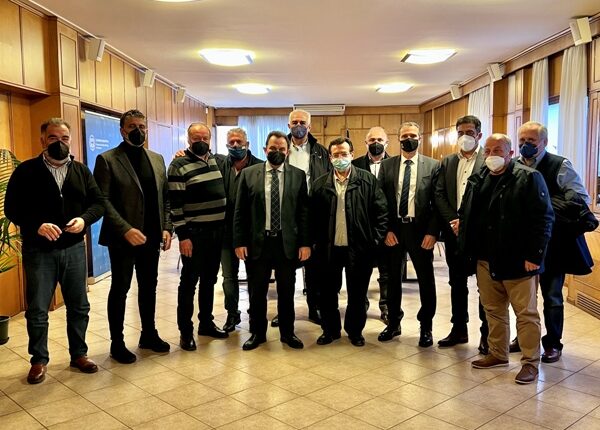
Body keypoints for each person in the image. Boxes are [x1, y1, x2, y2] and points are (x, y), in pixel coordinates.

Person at [5, 118, 105, 384]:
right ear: (43, 140)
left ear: (70, 140)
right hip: (39, 251)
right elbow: (11, 208)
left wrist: (84, 219)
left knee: (79, 305)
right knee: (38, 309)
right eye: (53, 138)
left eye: (64, 138)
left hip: (74, 249)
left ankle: (79, 354)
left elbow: (98, 203)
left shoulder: (81, 170)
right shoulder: (26, 170)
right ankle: (38, 360)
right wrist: (35, 225)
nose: (59, 143)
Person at [459, 133, 553, 384]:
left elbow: (544, 219)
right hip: (485, 259)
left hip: (519, 260)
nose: (492, 155)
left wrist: (534, 255)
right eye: (488, 151)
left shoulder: (529, 178)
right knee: (493, 310)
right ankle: (498, 353)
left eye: (498, 150)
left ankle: (530, 362)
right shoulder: (479, 178)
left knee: (526, 314)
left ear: (510, 153)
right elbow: (467, 212)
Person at [94, 109, 172, 364]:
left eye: (142, 126)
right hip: (123, 239)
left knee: (149, 287)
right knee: (120, 289)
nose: (138, 131)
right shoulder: (107, 159)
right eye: (132, 126)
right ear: (122, 130)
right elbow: (102, 200)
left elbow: (165, 197)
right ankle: (117, 343)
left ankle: (148, 334)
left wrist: (166, 227)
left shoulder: (157, 159)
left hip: (151, 236)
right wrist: (125, 229)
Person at [514, 121, 592, 363]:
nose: (525, 145)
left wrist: (546, 204)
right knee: (523, 297)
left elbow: (581, 198)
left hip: (554, 243)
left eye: (531, 141)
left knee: (552, 296)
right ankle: (524, 337)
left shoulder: (559, 165)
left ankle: (553, 344)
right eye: (522, 140)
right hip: (522, 243)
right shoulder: (514, 165)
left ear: (544, 142)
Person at [233, 131, 310, 351]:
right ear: (265, 149)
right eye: (273, 148)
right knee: (257, 292)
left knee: (287, 292)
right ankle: (257, 333)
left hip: (286, 243)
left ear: (288, 152)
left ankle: (288, 333)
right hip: (258, 243)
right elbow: (240, 211)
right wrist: (239, 242)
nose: (277, 152)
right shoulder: (248, 174)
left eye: (282, 149)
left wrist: (305, 243)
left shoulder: (298, 175)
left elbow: (303, 213)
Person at [311, 137, 388, 347]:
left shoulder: (367, 180)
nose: (340, 158)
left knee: (357, 294)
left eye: (344, 154)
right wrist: (315, 244)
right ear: (330, 158)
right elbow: (312, 218)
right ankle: (330, 330)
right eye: (335, 155)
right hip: (329, 248)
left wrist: (374, 240)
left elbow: (382, 213)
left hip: (359, 248)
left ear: (352, 155)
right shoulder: (319, 184)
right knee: (327, 293)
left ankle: (355, 332)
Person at [377, 122, 440, 347]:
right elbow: (380, 201)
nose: (408, 139)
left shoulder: (433, 166)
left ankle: (426, 326)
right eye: (404, 136)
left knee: (426, 280)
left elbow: (437, 203)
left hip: (420, 231)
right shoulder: (387, 165)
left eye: (413, 135)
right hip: (394, 230)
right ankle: (393, 323)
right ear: (398, 138)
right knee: (392, 279)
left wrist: (432, 232)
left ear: (420, 138)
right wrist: (385, 230)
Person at [168, 123, 229, 352]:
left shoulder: (216, 160)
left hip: (217, 233)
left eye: (205, 137)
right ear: (188, 139)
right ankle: (186, 331)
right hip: (194, 235)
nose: (201, 141)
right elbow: (175, 205)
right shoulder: (178, 165)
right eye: (196, 137)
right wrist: (183, 236)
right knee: (189, 283)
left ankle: (206, 323)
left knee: (209, 280)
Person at [434, 115, 488, 354]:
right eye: (460, 133)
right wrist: (454, 221)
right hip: (453, 233)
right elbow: (439, 194)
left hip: (479, 234)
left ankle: (487, 334)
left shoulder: (488, 161)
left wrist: (466, 223)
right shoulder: (447, 162)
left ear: (479, 135)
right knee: (456, 282)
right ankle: (459, 329)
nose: (464, 137)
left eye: (469, 132)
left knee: (485, 286)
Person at [277, 109, 330, 326]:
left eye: (302, 122)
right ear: (288, 125)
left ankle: (314, 308)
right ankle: (283, 311)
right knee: (286, 267)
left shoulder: (320, 151)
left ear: (309, 126)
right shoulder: (281, 148)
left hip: (313, 213)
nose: (298, 125)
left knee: (314, 266)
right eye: (295, 122)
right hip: (286, 214)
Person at [214, 128, 263, 332]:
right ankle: (232, 313)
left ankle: (255, 313)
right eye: (231, 142)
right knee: (229, 277)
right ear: (227, 145)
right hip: (226, 232)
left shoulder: (260, 166)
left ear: (247, 144)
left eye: (239, 142)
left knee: (255, 277)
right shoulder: (218, 164)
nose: (235, 145)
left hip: (251, 233)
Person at [352, 126, 391, 323]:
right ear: (365, 143)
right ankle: (361, 304)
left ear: (387, 143)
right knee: (360, 272)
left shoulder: (394, 164)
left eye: (380, 140)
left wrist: (389, 229)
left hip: (387, 228)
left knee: (387, 272)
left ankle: (386, 306)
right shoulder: (354, 164)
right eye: (372, 140)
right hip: (362, 229)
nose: (376, 143)